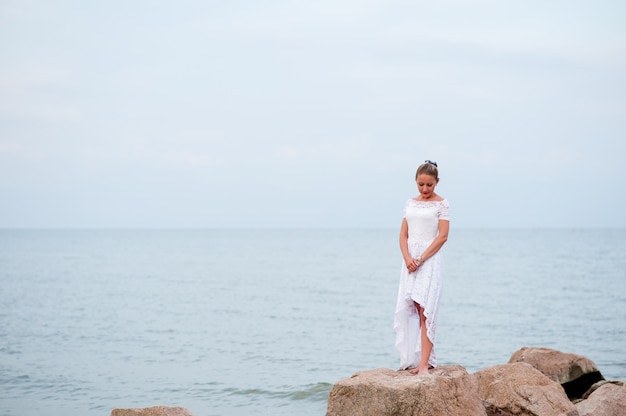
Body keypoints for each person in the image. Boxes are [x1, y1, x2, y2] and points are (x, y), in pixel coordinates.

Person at [394, 160, 450, 375]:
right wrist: (408, 257)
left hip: (430, 260)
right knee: (414, 309)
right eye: (421, 185)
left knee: (427, 310)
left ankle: (425, 364)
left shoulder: (442, 204)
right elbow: (403, 234)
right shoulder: (410, 203)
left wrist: (420, 259)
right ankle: (415, 358)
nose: (425, 189)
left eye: (429, 185)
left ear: (437, 182)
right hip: (409, 261)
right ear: (416, 182)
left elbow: (443, 236)